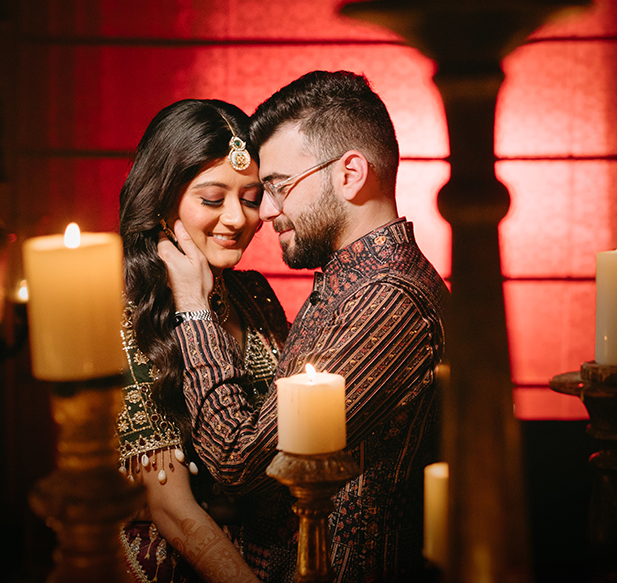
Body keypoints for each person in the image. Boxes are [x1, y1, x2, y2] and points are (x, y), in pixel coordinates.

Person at [160, 71, 448, 582]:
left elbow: (237, 461)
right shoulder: (347, 287)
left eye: (277, 187)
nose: (264, 212)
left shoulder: (387, 302)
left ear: (350, 174)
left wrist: (194, 311)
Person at [117, 99, 289, 583]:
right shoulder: (128, 313)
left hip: (267, 548)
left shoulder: (253, 294)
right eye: (213, 199)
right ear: (162, 201)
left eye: (251, 198)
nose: (237, 218)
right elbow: (171, 509)